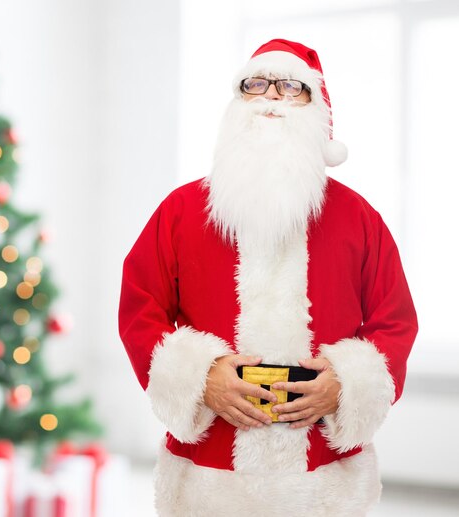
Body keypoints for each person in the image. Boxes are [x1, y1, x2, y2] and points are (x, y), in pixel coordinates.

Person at [118, 38, 418, 516]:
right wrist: (200, 376)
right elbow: (140, 308)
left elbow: (394, 320)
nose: (273, 97)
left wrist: (345, 384)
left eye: (292, 87)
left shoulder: (360, 219)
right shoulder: (179, 212)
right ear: (237, 105)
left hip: (324, 480)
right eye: (256, 84)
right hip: (208, 480)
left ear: (318, 110)